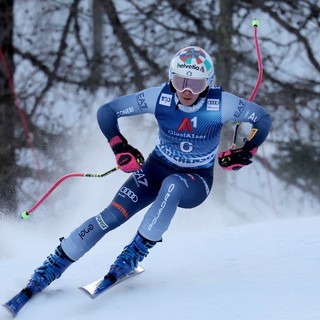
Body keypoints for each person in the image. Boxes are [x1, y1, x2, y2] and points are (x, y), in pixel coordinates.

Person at [17, 46, 272, 296]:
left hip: (195, 181)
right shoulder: (158, 98)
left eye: (195, 85)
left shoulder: (222, 104)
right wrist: (120, 146)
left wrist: (246, 151)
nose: (186, 91)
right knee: (110, 216)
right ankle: (53, 265)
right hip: (155, 168)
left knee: (172, 185)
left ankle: (133, 253)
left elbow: (262, 119)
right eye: (179, 81)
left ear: (208, 83)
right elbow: (107, 111)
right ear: (169, 77)